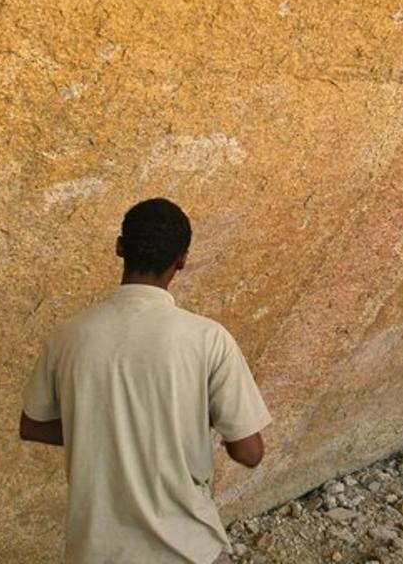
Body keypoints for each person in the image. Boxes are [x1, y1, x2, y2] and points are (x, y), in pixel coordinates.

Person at [20, 197, 272, 564]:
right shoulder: (207, 339)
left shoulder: (65, 338)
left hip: (95, 552)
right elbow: (249, 453)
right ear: (182, 259)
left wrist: (98, 424)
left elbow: (32, 425)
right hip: (188, 549)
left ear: (120, 247)